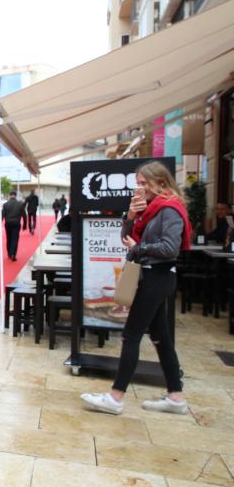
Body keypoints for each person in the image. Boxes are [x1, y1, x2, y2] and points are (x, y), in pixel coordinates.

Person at [81, 160, 190, 416]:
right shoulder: (151, 209)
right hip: (151, 276)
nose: (139, 188)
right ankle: (176, 397)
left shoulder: (170, 209)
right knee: (161, 339)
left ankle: (115, 397)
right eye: (137, 183)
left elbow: (169, 249)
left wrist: (139, 248)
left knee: (131, 336)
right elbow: (126, 237)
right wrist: (130, 215)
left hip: (157, 277)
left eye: (144, 183)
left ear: (160, 182)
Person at [1, 190, 25, 261]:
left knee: (9, 238)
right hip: (16, 223)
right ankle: (13, 254)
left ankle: (9, 253)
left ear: (9, 195)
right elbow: (24, 215)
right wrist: (25, 225)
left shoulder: (5, 204)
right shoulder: (20, 204)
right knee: (15, 239)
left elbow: (2, 215)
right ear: (16, 195)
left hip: (8, 223)